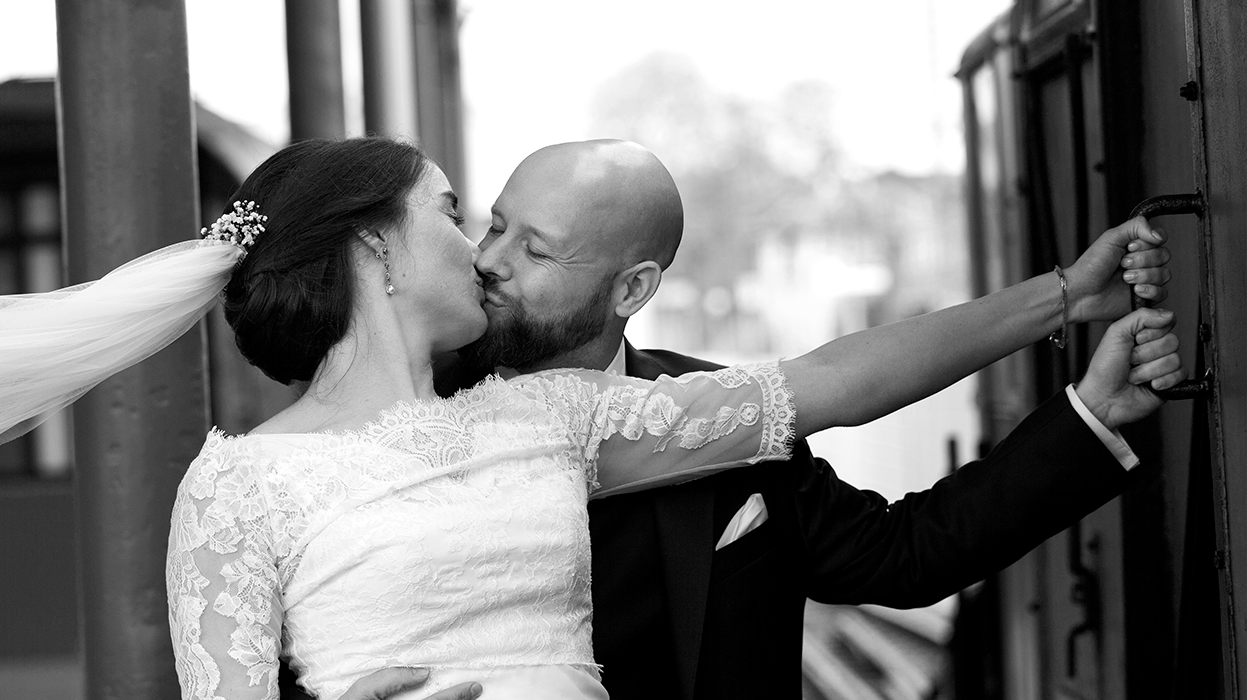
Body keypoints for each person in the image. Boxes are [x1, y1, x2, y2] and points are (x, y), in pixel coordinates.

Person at [176, 137, 1179, 700]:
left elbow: (834, 383)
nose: (484, 253)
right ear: (376, 253)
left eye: (529, 241)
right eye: (466, 217)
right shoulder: (239, 486)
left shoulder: (555, 417)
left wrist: (1060, 299)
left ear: (633, 285)